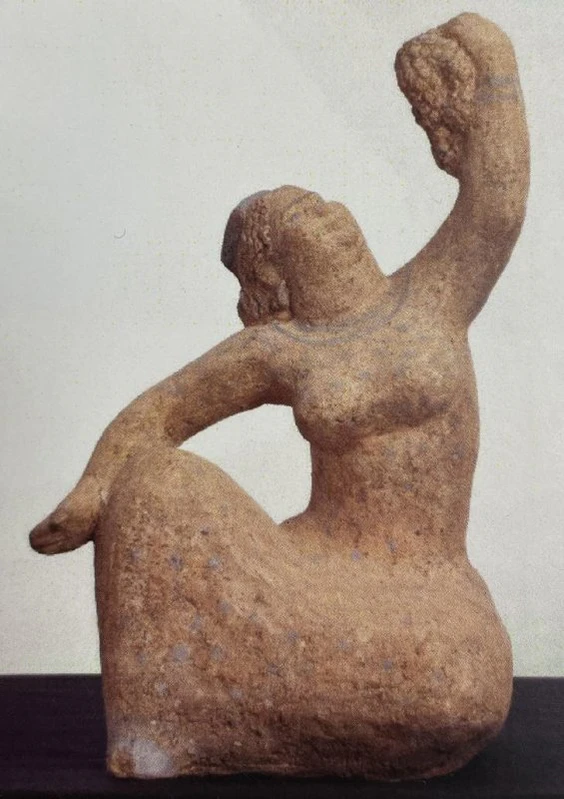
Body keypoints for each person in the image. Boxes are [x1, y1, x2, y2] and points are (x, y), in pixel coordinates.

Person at [30, 13, 529, 781]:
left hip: (425, 585)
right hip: (312, 572)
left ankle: (253, 706)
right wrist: (94, 488)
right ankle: (165, 726)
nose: (331, 214)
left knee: (458, 687)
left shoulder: (435, 290)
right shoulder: (282, 348)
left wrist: (490, 56)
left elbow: (498, 201)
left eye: (322, 201)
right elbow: (159, 412)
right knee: (154, 480)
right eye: (302, 217)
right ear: (275, 272)